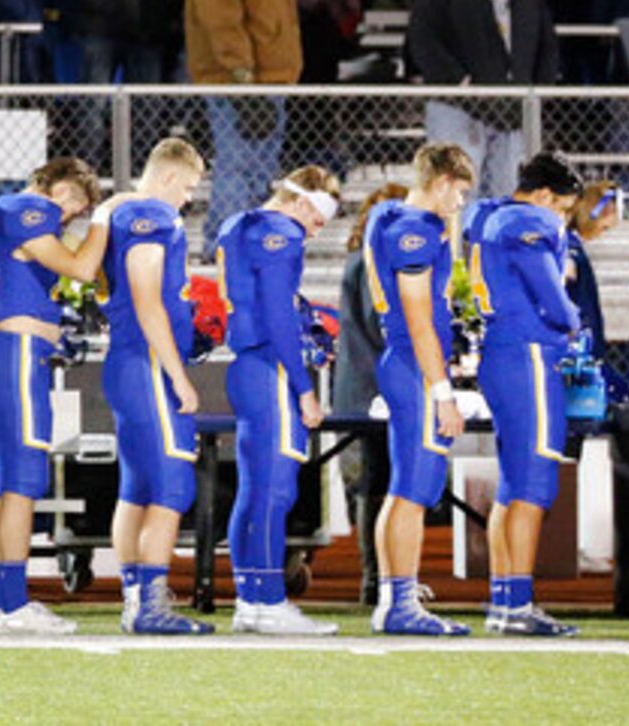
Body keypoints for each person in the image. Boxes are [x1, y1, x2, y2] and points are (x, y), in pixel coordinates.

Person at [0, 158, 107, 635]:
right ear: (54, 186)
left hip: (3, 349)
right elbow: (81, 267)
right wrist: (106, 221)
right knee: (24, 476)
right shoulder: (30, 207)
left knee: (8, 481)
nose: (71, 214)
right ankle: (11, 605)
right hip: (17, 351)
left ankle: (5, 601)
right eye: (74, 201)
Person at [216, 165, 341, 632]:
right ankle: (267, 599)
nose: (316, 230)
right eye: (318, 218)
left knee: (254, 491)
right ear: (303, 202)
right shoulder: (280, 232)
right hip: (268, 367)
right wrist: (305, 390)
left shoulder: (239, 223)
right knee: (275, 489)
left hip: (248, 364)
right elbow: (277, 316)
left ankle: (251, 599)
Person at [97, 137, 212, 636]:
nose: (187, 198)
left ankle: (134, 597)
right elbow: (148, 301)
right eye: (186, 186)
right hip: (145, 363)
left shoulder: (121, 212)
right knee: (171, 483)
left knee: (138, 487)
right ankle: (150, 602)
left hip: (127, 362)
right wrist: (179, 375)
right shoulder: (152, 217)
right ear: (166, 177)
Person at [469, 151, 587, 637]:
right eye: (562, 207)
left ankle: (506, 601)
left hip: (500, 353)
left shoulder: (489, 216)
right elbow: (555, 303)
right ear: (544, 196)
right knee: (535, 482)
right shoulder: (529, 221)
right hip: (529, 355)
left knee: (513, 484)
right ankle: (518, 604)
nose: (562, 217)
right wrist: (576, 325)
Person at [364, 143, 477, 635]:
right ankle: (400, 603)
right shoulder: (413, 232)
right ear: (442, 182)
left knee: (403, 488)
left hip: (403, 362)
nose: (461, 203)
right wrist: (442, 392)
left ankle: (395, 598)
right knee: (415, 489)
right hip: (412, 363)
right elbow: (418, 321)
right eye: (460, 192)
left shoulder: (391, 216)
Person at [408, 0, 558, 195]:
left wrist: (540, 85)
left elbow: (545, 38)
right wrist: (458, 80)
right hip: (457, 106)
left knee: (504, 190)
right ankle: (454, 239)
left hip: (512, 108)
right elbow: (422, 38)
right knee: (456, 192)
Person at [187, 0, 301, 228]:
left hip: (268, 80)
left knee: (259, 167)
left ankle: (247, 234)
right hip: (239, 83)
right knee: (238, 163)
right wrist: (241, 77)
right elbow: (222, 21)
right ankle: (225, 237)